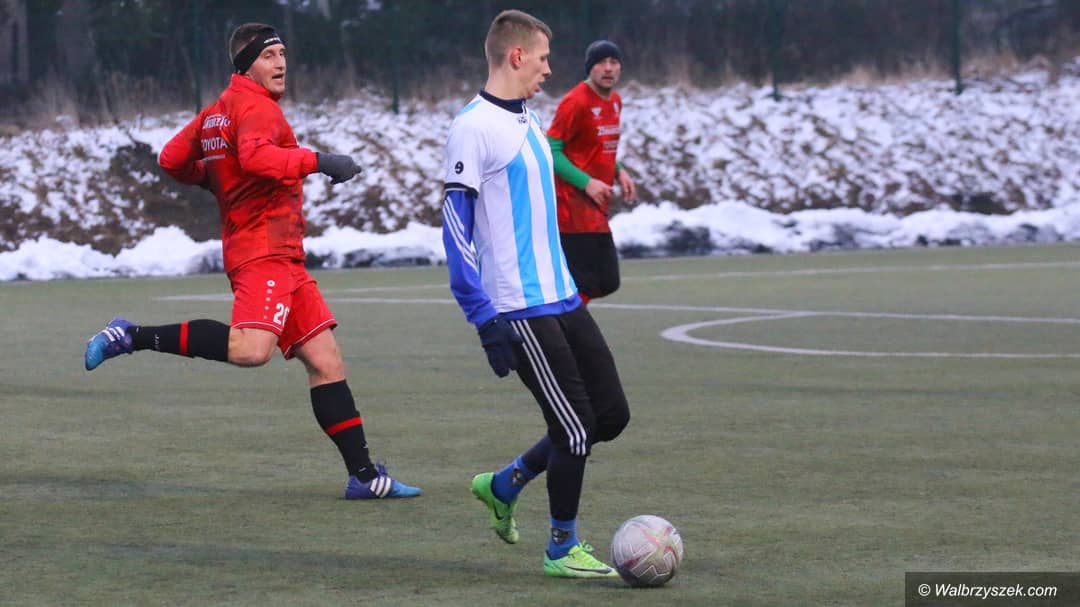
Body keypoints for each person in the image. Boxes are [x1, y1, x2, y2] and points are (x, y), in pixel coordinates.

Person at [83, 22, 420, 501]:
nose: (281, 62)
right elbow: (259, 158)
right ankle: (130, 335)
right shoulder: (257, 108)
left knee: (326, 361)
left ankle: (364, 476)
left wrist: (214, 179)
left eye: (282, 53)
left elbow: (172, 159)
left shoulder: (218, 111)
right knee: (250, 350)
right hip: (262, 251)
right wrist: (321, 161)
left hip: (283, 256)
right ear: (246, 64)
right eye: (269, 55)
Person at [442, 10, 630, 579]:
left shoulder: (527, 116)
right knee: (573, 429)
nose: (550, 69)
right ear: (516, 56)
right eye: (544, 58)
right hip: (518, 306)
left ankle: (505, 484)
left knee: (609, 416)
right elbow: (455, 228)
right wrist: (483, 317)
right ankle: (561, 548)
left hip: (562, 296)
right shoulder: (473, 127)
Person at [546, 40, 636, 305]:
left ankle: (563, 317)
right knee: (588, 282)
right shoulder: (575, 102)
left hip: (595, 208)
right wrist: (586, 182)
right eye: (601, 63)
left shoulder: (615, 101)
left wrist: (619, 171)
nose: (608, 68)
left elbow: (596, 146)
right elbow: (552, 150)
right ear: (589, 68)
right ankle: (564, 321)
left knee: (607, 281)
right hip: (572, 208)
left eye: (613, 62)